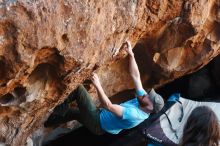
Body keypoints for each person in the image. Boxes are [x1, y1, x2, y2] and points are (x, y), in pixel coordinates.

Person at [44, 41, 164, 135]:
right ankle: (49, 121)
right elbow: (136, 76)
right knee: (75, 113)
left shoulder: (134, 115)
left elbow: (109, 106)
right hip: (101, 121)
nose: (146, 95)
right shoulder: (143, 100)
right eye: (149, 94)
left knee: (78, 90)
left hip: (98, 121)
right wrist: (131, 55)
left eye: (149, 98)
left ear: (150, 108)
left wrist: (97, 85)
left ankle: (53, 111)